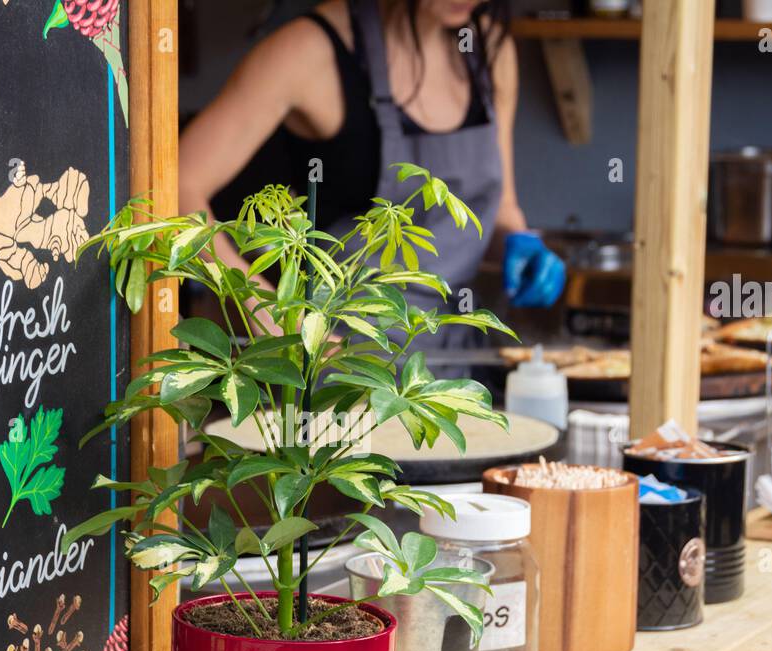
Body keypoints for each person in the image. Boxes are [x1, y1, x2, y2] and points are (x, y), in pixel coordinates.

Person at [179, 0, 564, 373]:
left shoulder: (489, 51)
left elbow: (500, 207)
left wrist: (519, 241)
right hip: (341, 368)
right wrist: (270, 318)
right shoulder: (306, 52)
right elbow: (179, 185)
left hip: (455, 363)